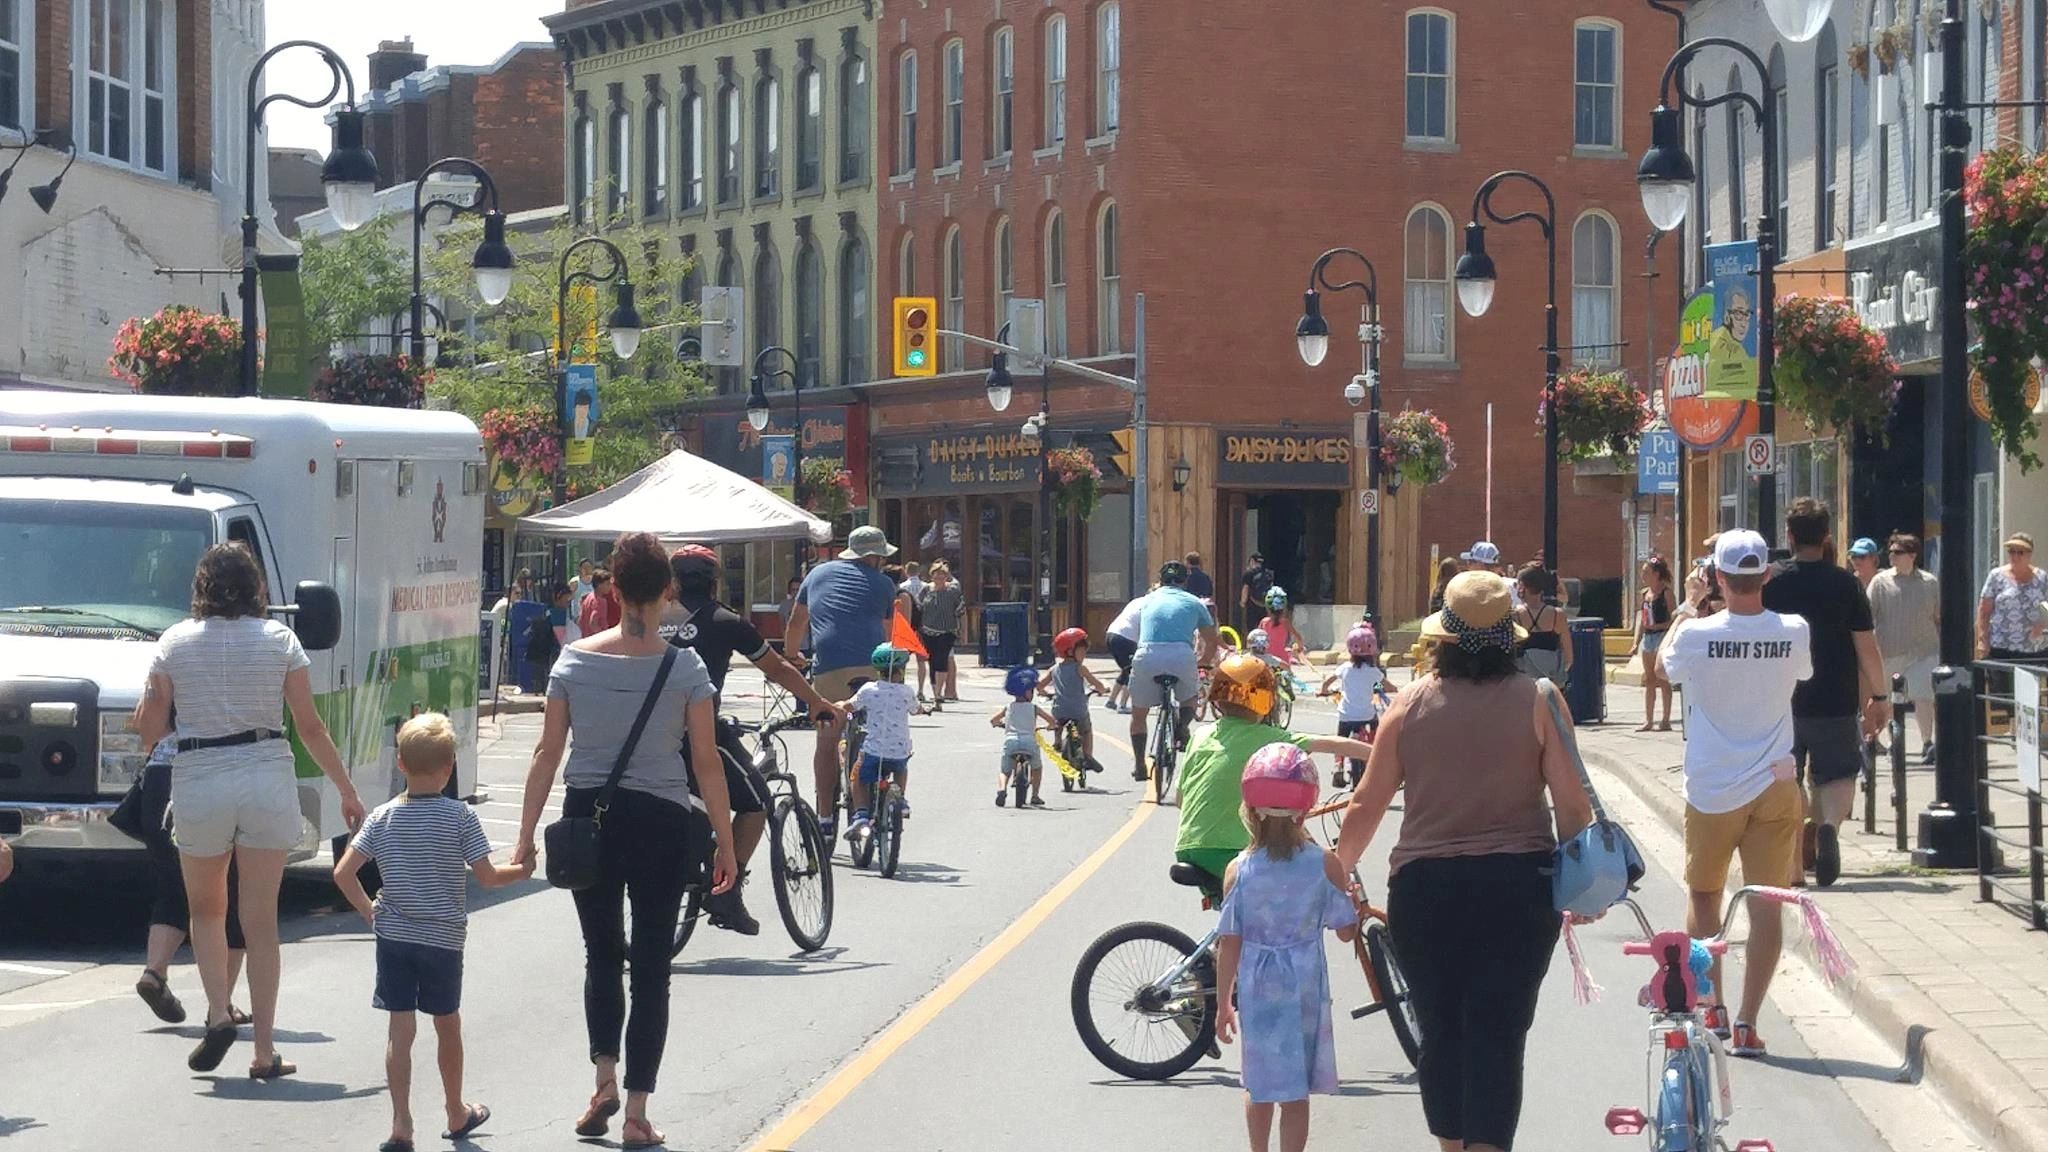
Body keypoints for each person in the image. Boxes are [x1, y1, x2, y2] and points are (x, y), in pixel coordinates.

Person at [1333, 570, 1595, 1151]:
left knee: (1441, 1033)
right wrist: (1587, 889)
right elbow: (1572, 805)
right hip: (1518, 887)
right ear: (1510, 637)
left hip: (1426, 892)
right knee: (1499, 1035)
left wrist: (1336, 869)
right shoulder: (1540, 700)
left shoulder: (1408, 705)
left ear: (1441, 638)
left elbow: (1367, 804)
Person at [510, 532, 738, 1150]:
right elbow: (707, 762)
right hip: (662, 818)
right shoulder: (684, 666)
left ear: (610, 585)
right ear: (667, 590)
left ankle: (603, 1079)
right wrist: (725, 840)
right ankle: (637, 1110)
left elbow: (547, 752)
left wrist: (525, 835)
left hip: (591, 815)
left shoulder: (574, 661)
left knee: (601, 953)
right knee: (653, 968)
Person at [135, 543, 365, 1077]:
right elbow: (309, 726)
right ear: (257, 587)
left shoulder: (174, 642)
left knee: (206, 911)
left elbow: (151, 730)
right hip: (264, 770)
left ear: (202, 588)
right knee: (259, 921)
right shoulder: (280, 639)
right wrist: (347, 790)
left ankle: (218, 1013)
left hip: (200, 775)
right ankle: (264, 1050)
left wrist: (155, 693)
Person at [334, 713, 531, 1152]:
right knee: (447, 1025)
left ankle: (401, 1123)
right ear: (448, 768)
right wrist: (523, 870)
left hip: (395, 939)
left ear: (399, 765)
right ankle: (456, 1110)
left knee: (399, 1031)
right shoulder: (459, 817)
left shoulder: (382, 817)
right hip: (443, 939)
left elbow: (344, 874)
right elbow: (487, 877)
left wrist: (371, 913)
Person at [1659, 530, 1812, 1057]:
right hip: (1775, 780)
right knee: (1766, 902)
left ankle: (1714, 1006)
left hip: (1713, 785)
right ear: (1766, 575)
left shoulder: (1696, 634)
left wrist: (1688, 604)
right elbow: (1800, 673)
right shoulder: (1794, 630)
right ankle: (1748, 1021)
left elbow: (1660, 667)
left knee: (1705, 896)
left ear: (1719, 578)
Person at [662, 545, 839, 936]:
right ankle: (727, 893)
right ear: (714, 581)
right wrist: (816, 703)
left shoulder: (645, 619)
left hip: (644, 736)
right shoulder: (726, 620)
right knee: (756, 801)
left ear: (672, 579)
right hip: (700, 732)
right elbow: (776, 668)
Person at [1213, 744, 1358, 1152]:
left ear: (1252, 807)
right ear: (1305, 807)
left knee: (1259, 1086)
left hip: (1258, 989)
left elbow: (1231, 940)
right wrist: (1353, 899)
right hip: (1305, 987)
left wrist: (1225, 1002)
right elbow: (1346, 931)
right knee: (1296, 1091)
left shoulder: (1239, 870)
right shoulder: (1323, 863)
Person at [1761, 498, 1889, 889]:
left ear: (1790, 536)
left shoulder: (1773, 582)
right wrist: (1880, 697)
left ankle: (1796, 861)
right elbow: (1866, 646)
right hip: (1836, 697)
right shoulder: (1846, 584)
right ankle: (1829, 826)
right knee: (1837, 775)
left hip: (1783, 699)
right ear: (1827, 538)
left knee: (1788, 777)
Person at [1176, 656, 1373, 889]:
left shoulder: (1200, 735)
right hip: (1232, 849)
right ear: (1266, 701)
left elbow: (1180, 800)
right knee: (1311, 881)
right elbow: (1333, 744)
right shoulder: (1272, 738)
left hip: (1189, 846)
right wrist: (1386, 759)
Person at [786, 526, 900, 839]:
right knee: (880, 735)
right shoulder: (885, 585)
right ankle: (876, 796)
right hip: (874, 668)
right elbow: (890, 636)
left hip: (829, 667)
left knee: (827, 741)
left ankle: (824, 816)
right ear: (875, 557)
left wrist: (793, 655)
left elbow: (797, 622)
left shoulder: (816, 575)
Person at [133, 727, 250, 1028]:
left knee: (173, 888)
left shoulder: (167, 676)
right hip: (217, 772)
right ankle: (221, 1006)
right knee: (229, 894)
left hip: (159, 775)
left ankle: (154, 973)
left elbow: (146, 723)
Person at [1132, 561, 1222, 782]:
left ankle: (1139, 764)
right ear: (1185, 581)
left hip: (1148, 653)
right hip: (1181, 655)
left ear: (1161, 580)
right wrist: (1203, 662)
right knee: (1190, 697)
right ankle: (1182, 726)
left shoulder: (1146, 600)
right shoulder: (1194, 602)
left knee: (1138, 714)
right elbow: (1211, 641)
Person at [1869, 533, 1941, 762]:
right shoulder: (1880, 582)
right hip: (1889, 652)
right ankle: (1893, 742)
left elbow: (1938, 617)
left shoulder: (1930, 582)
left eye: (1898, 552)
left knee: (1924, 696)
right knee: (1889, 700)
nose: (1892, 556)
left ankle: (1927, 742)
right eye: (1890, 551)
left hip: (1923, 651)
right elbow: (1868, 615)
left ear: (1912, 555)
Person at [844, 644, 919, 829]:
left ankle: (861, 814)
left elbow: (850, 706)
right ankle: (900, 799)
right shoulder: (907, 692)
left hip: (874, 751)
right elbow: (916, 709)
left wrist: (838, 705)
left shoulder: (868, 689)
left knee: (857, 775)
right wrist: (925, 709)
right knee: (902, 767)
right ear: (900, 671)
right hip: (899, 751)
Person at [1319, 624, 1387, 789]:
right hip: (1366, 715)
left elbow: (1327, 682)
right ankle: (1371, 752)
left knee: (1340, 740)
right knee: (1375, 730)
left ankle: (1338, 764)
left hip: (1346, 715)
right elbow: (1389, 686)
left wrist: (1323, 691)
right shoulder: (1373, 671)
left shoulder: (1344, 668)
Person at [1039, 628, 1109, 772]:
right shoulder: (1080, 668)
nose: (1084, 654)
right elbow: (1096, 684)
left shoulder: (1054, 669)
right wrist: (1102, 690)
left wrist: (1046, 693)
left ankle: (1057, 740)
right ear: (1070, 651)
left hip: (1060, 709)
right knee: (1086, 731)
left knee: (1058, 720)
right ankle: (1088, 756)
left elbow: (1039, 686)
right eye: (1082, 651)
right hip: (1078, 710)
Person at [1978, 532, 2048, 660]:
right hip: (2001, 647)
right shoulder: (1996, 576)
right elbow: (1984, 611)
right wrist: (1983, 640)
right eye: (2011, 552)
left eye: (2020, 552)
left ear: (2029, 554)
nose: (2015, 556)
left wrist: (2041, 625)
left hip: (2035, 649)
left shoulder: (2042, 578)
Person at [991, 666, 1055, 807]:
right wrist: (1050, 727)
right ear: (1027, 692)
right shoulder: (1033, 708)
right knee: (1037, 767)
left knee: (1005, 770)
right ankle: (1035, 795)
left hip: (1011, 741)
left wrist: (1000, 724)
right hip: (1029, 741)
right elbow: (1051, 721)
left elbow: (993, 720)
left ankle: (1002, 789)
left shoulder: (1008, 707)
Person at [1628, 558, 1676, 730]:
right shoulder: (1645, 594)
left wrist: (1659, 626)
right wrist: (1636, 642)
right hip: (1648, 638)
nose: (1643, 575)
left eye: (1647, 572)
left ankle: (1665, 719)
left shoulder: (1666, 593)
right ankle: (1648, 720)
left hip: (1662, 636)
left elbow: (1674, 619)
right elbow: (1642, 620)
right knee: (1649, 679)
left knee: (1662, 678)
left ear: (1656, 574)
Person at [1513, 566, 1573, 687]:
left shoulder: (1515, 615)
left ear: (1522, 586)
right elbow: (1568, 657)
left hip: (1525, 682)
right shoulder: (1558, 615)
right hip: (1551, 681)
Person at [918, 562, 966, 705]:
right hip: (927, 631)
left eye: (942, 575)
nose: (939, 578)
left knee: (941, 659)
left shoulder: (953, 592)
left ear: (946, 577)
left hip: (947, 631)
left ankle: (939, 693)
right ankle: (935, 693)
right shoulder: (926, 590)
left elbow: (962, 612)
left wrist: (963, 633)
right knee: (932, 661)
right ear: (931, 576)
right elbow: (919, 609)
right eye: (936, 575)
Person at [1103, 592, 1146, 715]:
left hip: (1112, 633)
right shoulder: (1150, 606)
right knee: (1133, 671)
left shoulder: (1136, 600)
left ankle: (1111, 700)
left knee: (1126, 669)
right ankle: (1122, 705)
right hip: (1125, 638)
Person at [901, 562, 932, 702]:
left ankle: (900, 686)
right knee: (921, 661)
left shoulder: (902, 587)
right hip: (921, 626)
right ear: (918, 572)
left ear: (906, 572)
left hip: (906, 626)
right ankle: (920, 690)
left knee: (901, 661)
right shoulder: (926, 587)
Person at [1257, 587, 1306, 665]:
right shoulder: (1285, 622)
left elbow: (1255, 638)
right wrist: (1300, 648)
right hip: (1282, 660)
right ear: (1284, 608)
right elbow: (1297, 637)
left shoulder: (1264, 622)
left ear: (1267, 608)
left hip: (1267, 659)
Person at [578, 568, 622, 637]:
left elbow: (580, 621)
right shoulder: (600, 601)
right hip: (596, 640)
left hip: (586, 638)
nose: (610, 587)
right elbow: (593, 623)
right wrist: (603, 636)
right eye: (607, 584)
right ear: (599, 585)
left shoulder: (588, 598)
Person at [1239, 552, 1275, 633]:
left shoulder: (1248, 573)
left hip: (1252, 604)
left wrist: (1242, 602)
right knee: (1263, 628)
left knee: (1251, 628)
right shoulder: (1269, 574)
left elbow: (1246, 588)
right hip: (1264, 605)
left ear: (1252, 561)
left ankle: (1252, 645)